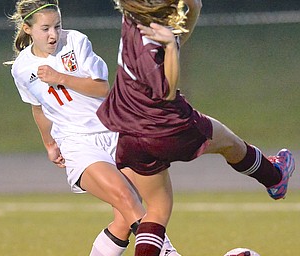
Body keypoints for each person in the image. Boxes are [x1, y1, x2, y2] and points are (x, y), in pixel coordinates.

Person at [96, 0, 296, 255]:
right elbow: (165, 90)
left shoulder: (133, 17)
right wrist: (169, 45)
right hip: (165, 125)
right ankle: (274, 177)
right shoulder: (155, 41)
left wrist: (193, 10)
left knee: (156, 209)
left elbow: (177, 30)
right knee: (228, 141)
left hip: (129, 130)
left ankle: (274, 177)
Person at [8, 0, 180, 255]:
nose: (54, 34)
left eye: (57, 26)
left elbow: (101, 88)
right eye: (45, 29)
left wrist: (60, 78)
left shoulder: (75, 42)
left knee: (124, 220)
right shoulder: (22, 68)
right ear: (27, 28)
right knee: (127, 200)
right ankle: (169, 253)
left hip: (114, 133)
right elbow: (38, 108)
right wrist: (50, 144)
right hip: (77, 143)